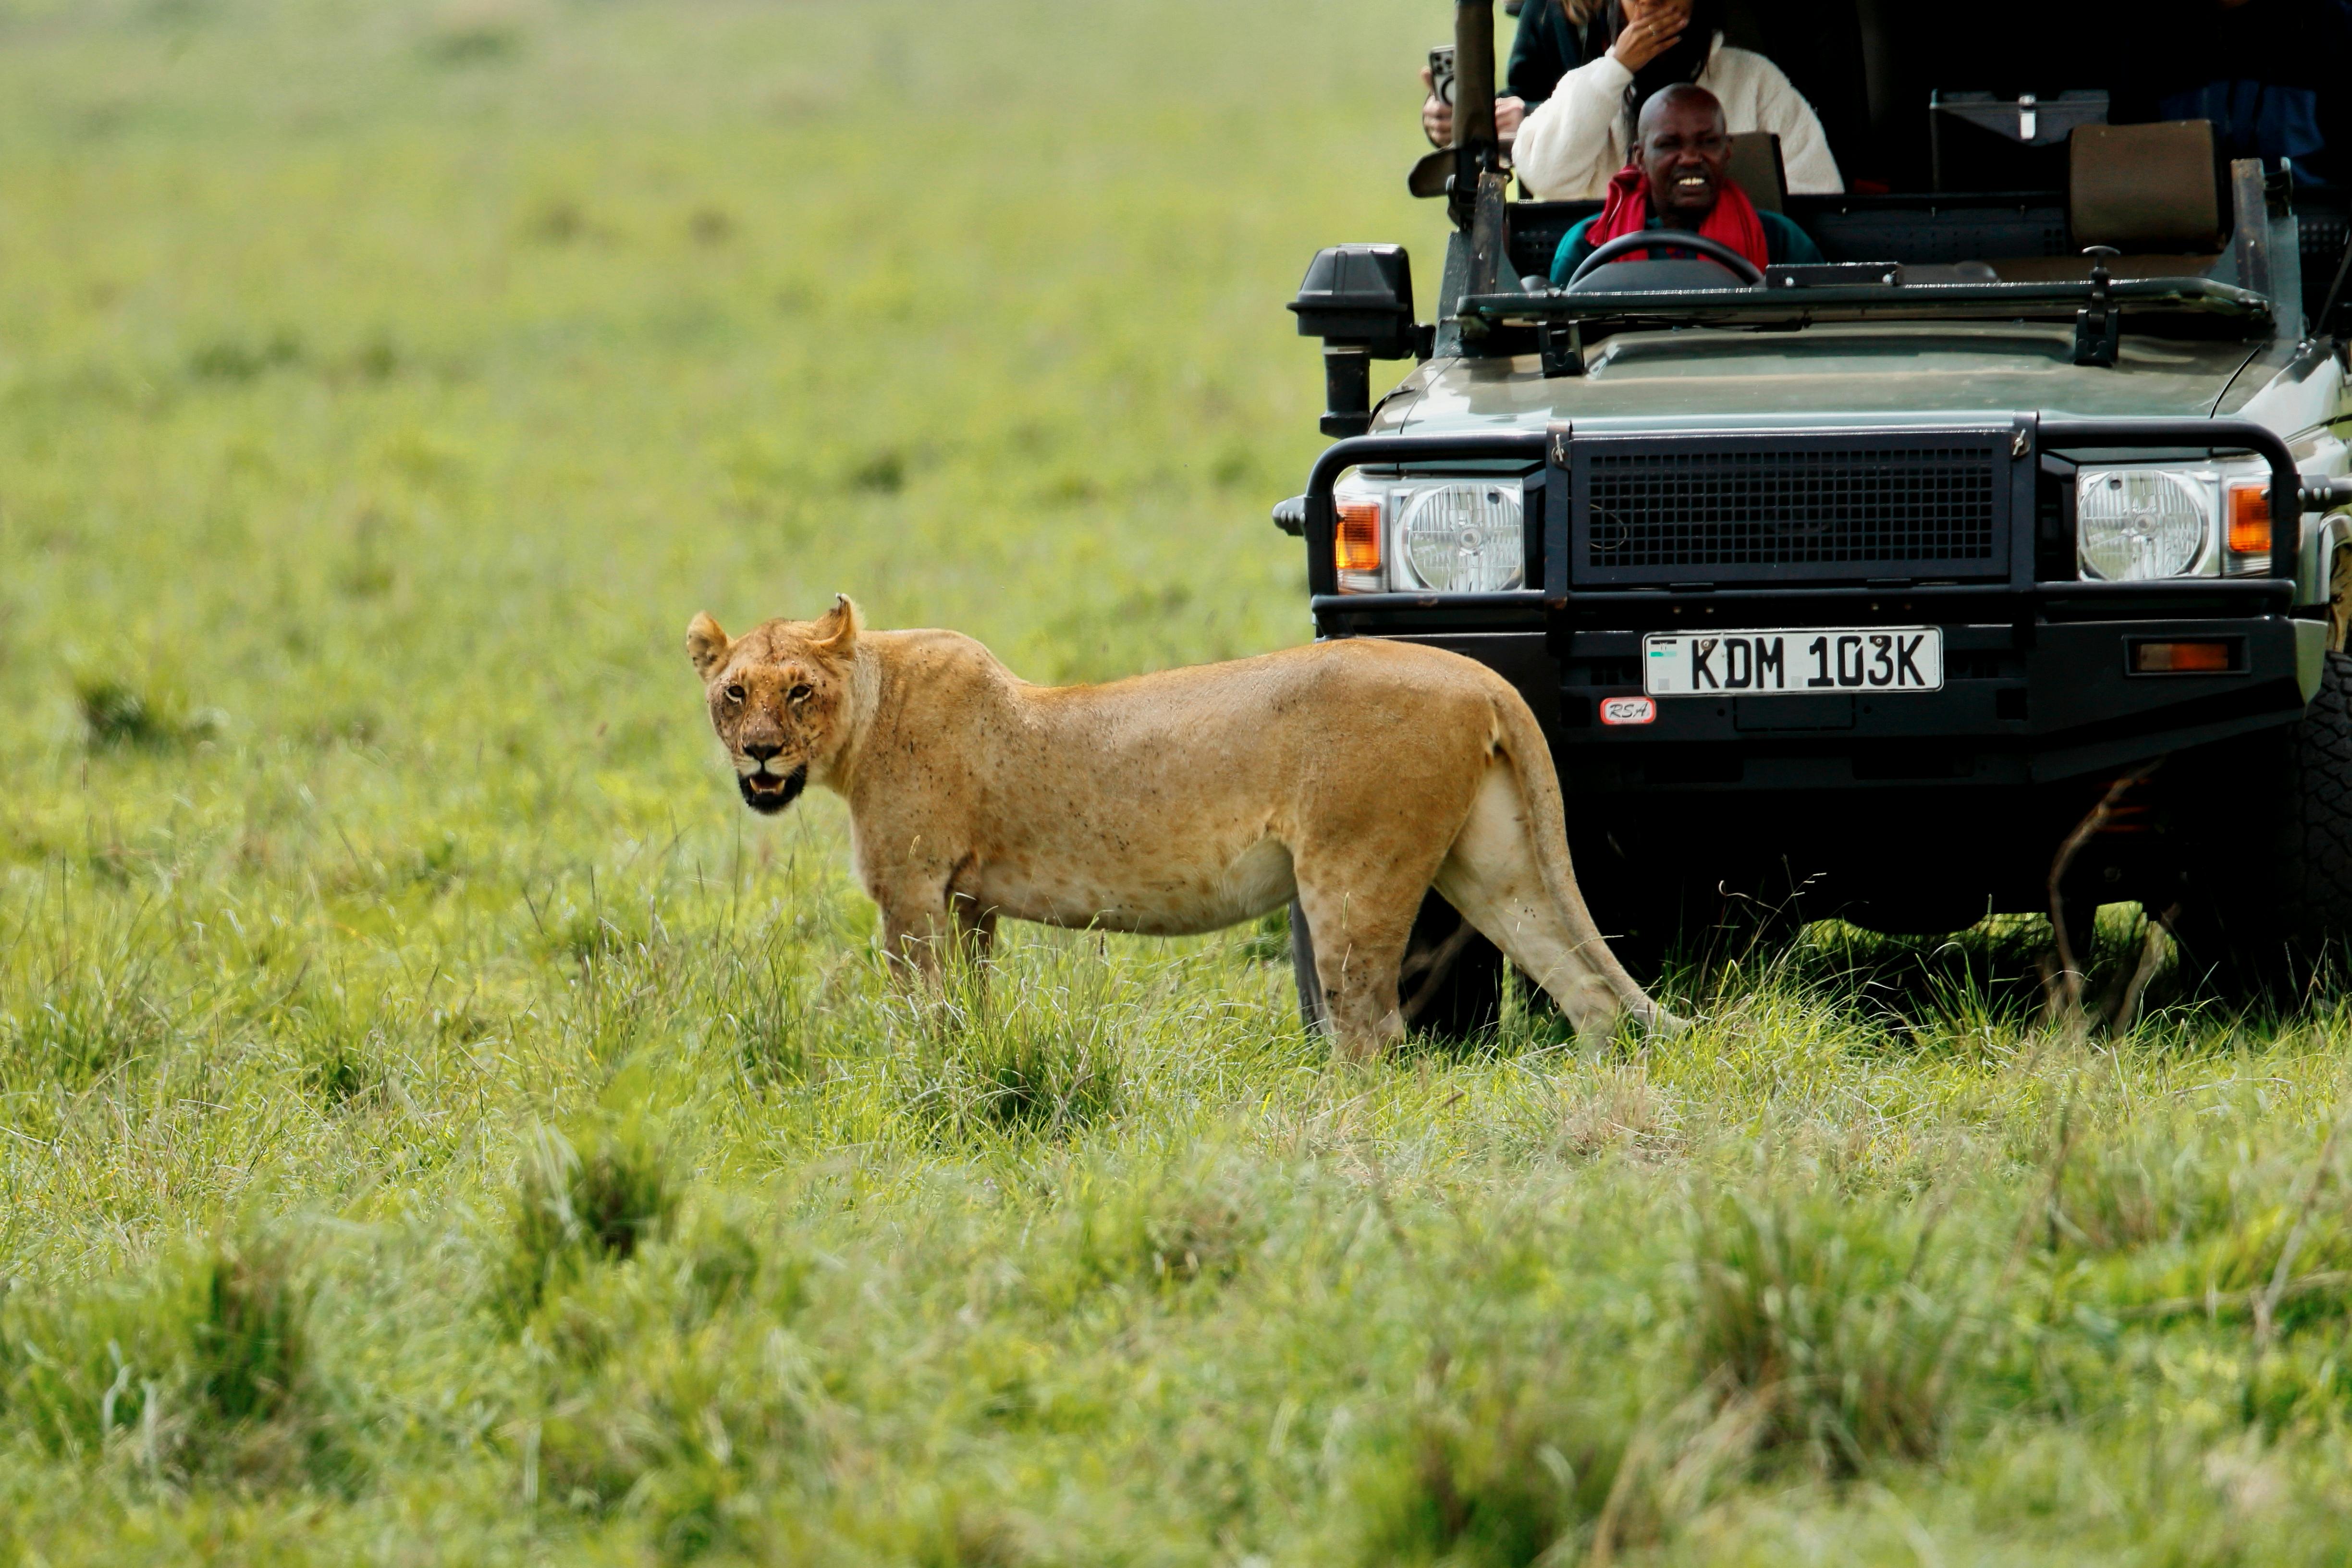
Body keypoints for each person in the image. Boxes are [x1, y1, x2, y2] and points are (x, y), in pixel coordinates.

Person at [1514, 0, 1843, 201]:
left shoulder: (1756, 79)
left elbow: (1818, 193)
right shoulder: (1588, 85)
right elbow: (1545, 176)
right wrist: (1615, 70)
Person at [1550, 85, 1824, 283]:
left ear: (1727, 151)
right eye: (1669, 145)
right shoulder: (1587, 246)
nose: (1691, 159)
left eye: (1707, 143)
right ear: (1641, 158)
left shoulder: (1780, 239)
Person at [1421, 1, 1610, 148]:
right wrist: (1460, 116)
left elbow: (1631, 112)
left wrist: (1532, 117)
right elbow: (1524, 94)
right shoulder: (1543, 8)